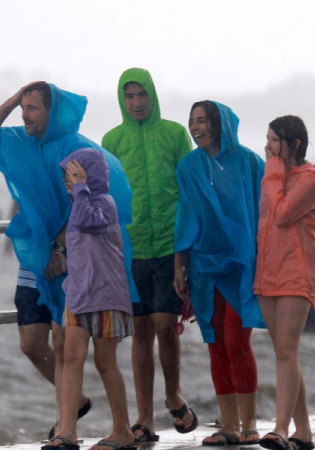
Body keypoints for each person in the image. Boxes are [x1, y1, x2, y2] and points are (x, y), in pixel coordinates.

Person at [0, 82, 137, 439]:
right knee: (32, 343)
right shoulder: (17, 141)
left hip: (77, 264)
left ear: (52, 111)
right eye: (23, 108)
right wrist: (13, 99)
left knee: (68, 347)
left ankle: (67, 428)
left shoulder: (79, 148)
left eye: (33, 108)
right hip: (34, 256)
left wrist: (60, 250)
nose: (25, 115)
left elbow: (107, 199)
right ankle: (73, 408)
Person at [101, 68, 196, 442]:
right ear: (122, 100)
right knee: (140, 331)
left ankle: (173, 394)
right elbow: (104, 193)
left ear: (153, 95)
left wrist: (185, 250)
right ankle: (144, 418)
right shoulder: (112, 139)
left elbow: (188, 191)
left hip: (169, 248)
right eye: (130, 97)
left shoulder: (174, 134)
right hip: (131, 248)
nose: (137, 103)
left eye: (142, 95)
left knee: (164, 326)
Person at [173, 100, 264, 446]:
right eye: (192, 121)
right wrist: (179, 266)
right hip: (203, 266)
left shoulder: (247, 161)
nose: (195, 127)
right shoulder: (188, 166)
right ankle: (228, 426)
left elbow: (263, 211)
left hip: (241, 264)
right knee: (215, 345)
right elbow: (185, 217)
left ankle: (249, 424)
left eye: (202, 121)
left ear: (219, 123)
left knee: (236, 341)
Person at [43, 149, 136, 450]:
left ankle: (122, 431)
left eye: (73, 175)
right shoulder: (78, 204)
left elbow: (85, 220)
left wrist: (81, 187)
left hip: (105, 294)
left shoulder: (104, 203)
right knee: (70, 358)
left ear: (89, 175)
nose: (68, 183)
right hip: (79, 294)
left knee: (105, 361)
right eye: (68, 177)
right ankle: (66, 430)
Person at [254, 116, 315, 450]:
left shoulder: (309, 179)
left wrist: (273, 172)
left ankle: (280, 429)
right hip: (268, 269)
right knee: (284, 351)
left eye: (275, 141)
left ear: (295, 144)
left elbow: (285, 212)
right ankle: (303, 430)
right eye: (268, 139)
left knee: (287, 351)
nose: (269, 146)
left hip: (297, 271)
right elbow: (265, 220)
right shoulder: (272, 175)